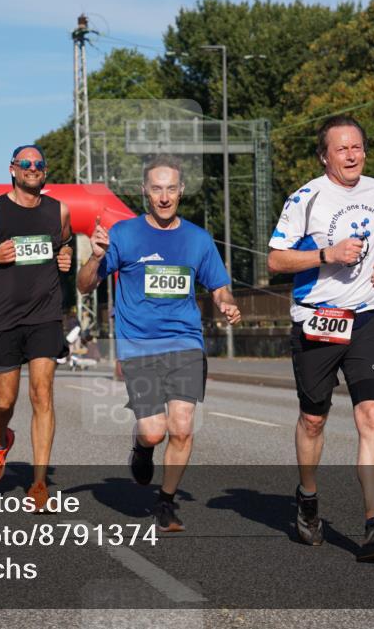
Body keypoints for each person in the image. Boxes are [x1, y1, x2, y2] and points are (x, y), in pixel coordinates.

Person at [267, 115, 374, 562]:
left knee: (372, 416)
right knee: (314, 419)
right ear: (324, 156)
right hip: (318, 320)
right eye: (342, 149)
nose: (352, 155)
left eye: (358, 147)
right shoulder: (306, 198)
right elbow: (275, 260)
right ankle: (307, 496)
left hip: (366, 317)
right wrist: (326, 254)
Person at [78, 155, 241, 531]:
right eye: (156, 189)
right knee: (154, 431)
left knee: (182, 428)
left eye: (171, 188)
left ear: (181, 191)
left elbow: (218, 286)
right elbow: (86, 285)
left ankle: (165, 502)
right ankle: (141, 446)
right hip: (139, 345)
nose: (164, 197)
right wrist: (97, 257)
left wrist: (227, 304)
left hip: (185, 342)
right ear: (144, 192)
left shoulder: (198, 239)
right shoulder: (123, 234)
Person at [0, 144, 73, 509]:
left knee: (42, 394)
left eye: (39, 164)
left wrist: (65, 256)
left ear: (45, 171)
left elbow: (64, 243)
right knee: (4, 400)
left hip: (45, 316)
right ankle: (1, 439)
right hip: (3, 319)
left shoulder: (59, 210)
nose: (33, 168)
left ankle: (39, 484)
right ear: (13, 169)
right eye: (26, 164)